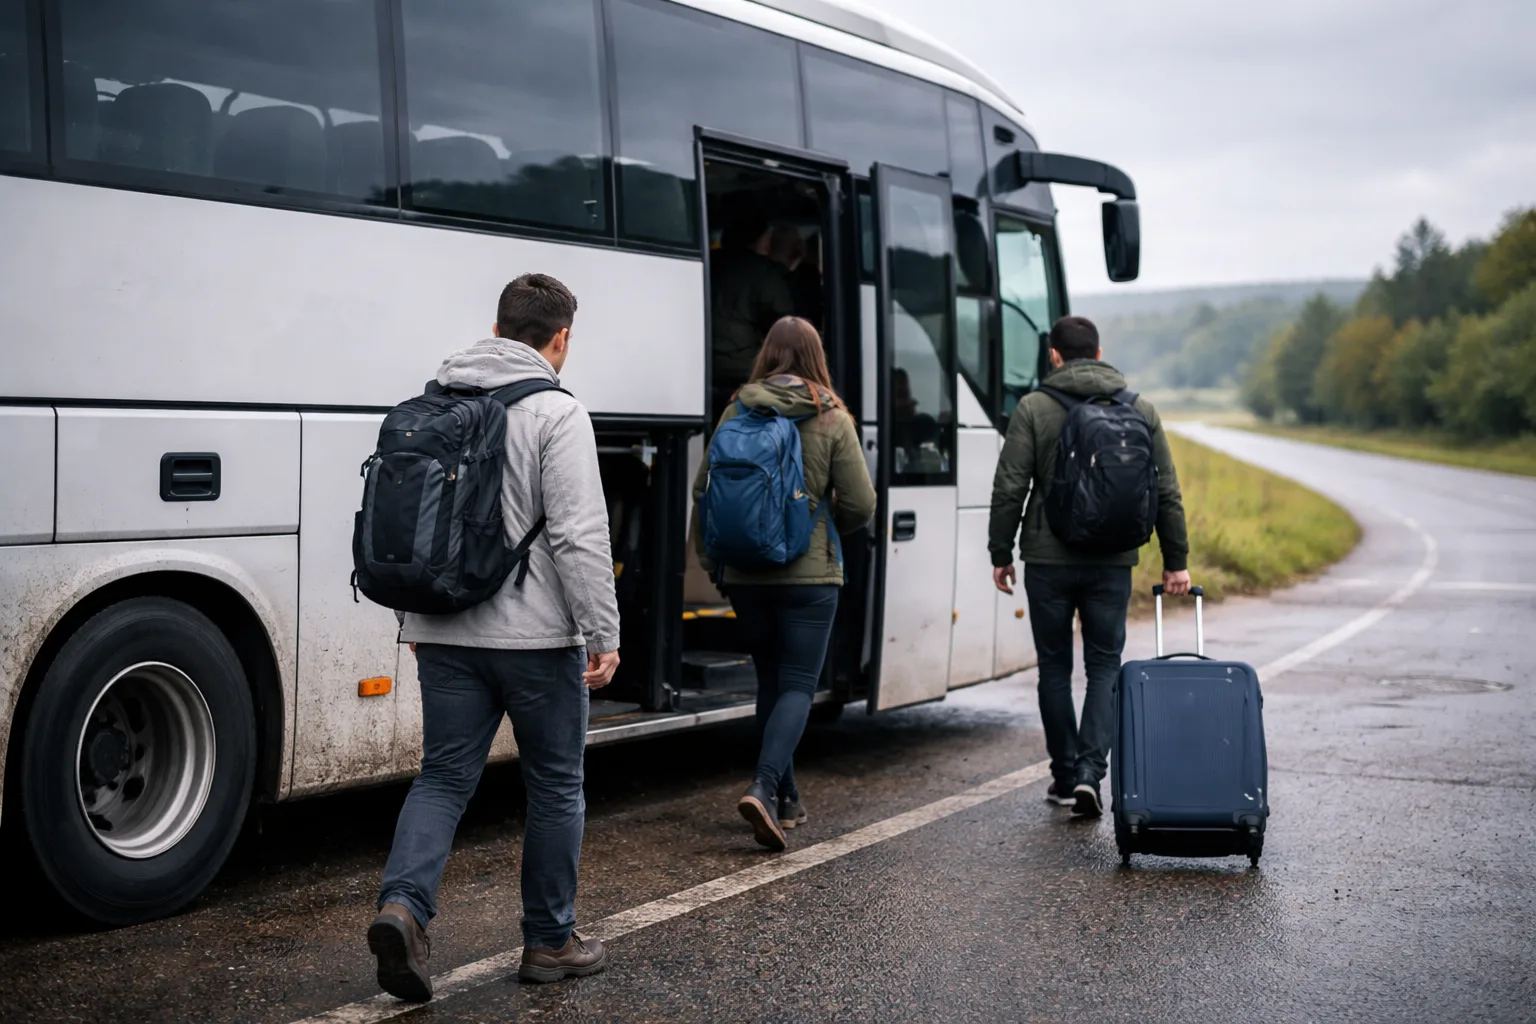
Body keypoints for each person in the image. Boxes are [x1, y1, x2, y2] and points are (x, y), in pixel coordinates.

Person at [369, 273, 622, 1001]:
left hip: (445, 630)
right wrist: (601, 631)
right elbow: (577, 532)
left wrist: (414, 619)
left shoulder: (437, 401)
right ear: (560, 338)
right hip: (537, 641)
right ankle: (549, 941)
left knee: (444, 777)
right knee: (555, 784)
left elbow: (410, 524)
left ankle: (403, 908)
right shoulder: (556, 412)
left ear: (497, 327)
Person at [987, 315, 1189, 818]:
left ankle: (1063, 775)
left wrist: (1000, 552)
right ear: (1099, 354)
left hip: (1048, 559)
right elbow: (1166, 489)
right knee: (1103, 666)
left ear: (1054, 356)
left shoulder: (1034, 407)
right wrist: (1176, 561)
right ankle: (1089, 775)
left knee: (1054, 667)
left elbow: (1010, 485)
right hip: (1111, 561)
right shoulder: (1139, 407)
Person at [692, 316, 877, 850]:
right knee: (797, 686)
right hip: (810, 574)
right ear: (816, 356)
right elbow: (862, 503)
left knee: (770, 682)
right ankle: (764, 785)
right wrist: (824, 524)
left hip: (746, 573)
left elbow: (704, 491)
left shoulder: (737, 409)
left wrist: (712, 561)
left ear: (767, 354)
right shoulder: (831, 415)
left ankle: (786, 799)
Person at [710, 206, 796, 423]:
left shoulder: (707, 263)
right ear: (760, 239)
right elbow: (785, 325)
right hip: (743, 374)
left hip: (701, 370)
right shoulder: (765, 273)